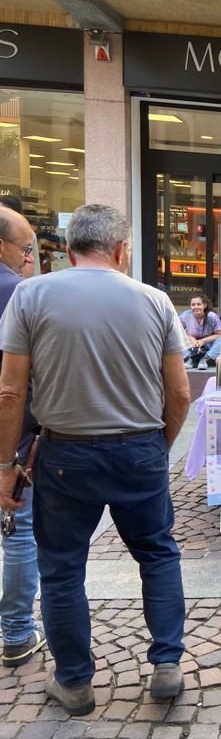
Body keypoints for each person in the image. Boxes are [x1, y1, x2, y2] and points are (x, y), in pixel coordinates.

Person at [0, 204, 192, 715]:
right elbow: (180, 392)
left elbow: (10, 391)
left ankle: (75, 682)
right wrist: (159, 447)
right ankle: (167, 663)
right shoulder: (155, 301)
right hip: (139, 446)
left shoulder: (30, 295)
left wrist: (4, 467)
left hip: (65, 451)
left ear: (68, 250)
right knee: (157, 554)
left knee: (62, 569)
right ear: (122, 250)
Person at [0, 205, 45, 668]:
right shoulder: (20, 294)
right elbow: (16, 389)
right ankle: (15, 631)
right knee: (19, 531)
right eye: (25, 248)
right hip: (12, 435)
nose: (29, 257)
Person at [179, 293, 221, 370]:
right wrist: (191, 338)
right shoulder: (185, 316)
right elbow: (177, 331)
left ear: (204, 305)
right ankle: (190, 359)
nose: (196, 307)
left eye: (199, 304)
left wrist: (203, 341)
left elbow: (220, 334)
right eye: (193, 305)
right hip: (191, 345)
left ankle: (204, 359)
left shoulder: (212, 316)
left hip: (208, 345)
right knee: (175, 339)